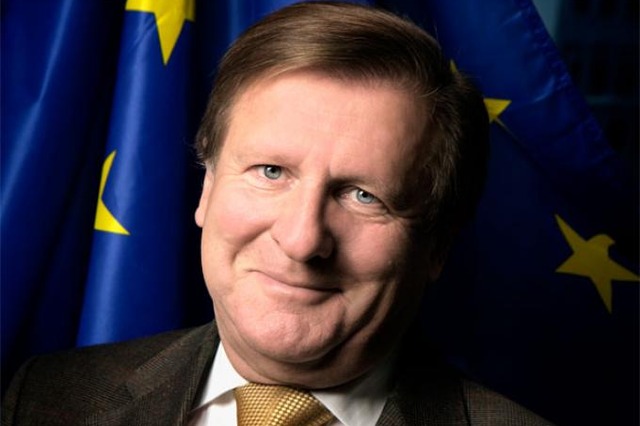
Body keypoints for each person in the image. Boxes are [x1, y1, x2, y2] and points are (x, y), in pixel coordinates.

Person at [2, 2, 553, 425]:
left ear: (437, 245)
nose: (302, 239)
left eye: (363, 195)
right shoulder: (45, 398)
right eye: (270, 171)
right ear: (207, 189)